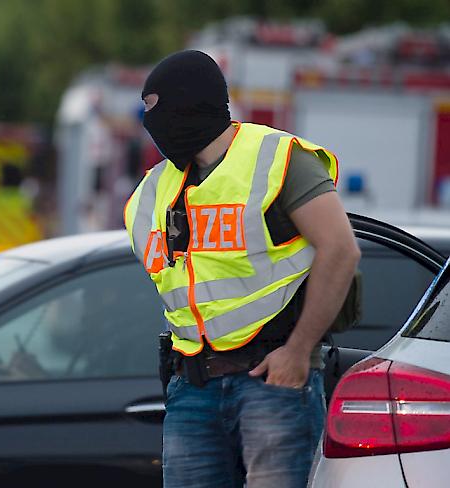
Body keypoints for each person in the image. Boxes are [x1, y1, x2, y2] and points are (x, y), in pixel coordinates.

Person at [123, 50, 360, 488]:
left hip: (272, 380)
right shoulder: (153, 190)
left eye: (157, 108)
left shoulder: (277, 158)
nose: (152, 124)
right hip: (191, 387)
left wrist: (297, 352)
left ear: (191, 104)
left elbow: (340, 250)